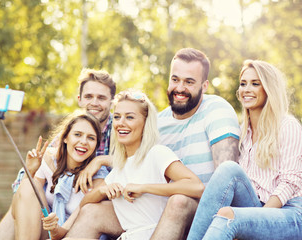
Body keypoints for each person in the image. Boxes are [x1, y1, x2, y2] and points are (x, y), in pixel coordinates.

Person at [65, 48, 241, 239]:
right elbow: (137, 160)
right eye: (175, 79)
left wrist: (144, 187)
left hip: (199, 210)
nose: (180, 87)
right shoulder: (160, 122)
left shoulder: (216, 109)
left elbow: (220, 179)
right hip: (145, 218)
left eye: (189, 82)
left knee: (178, 201)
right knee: (92, 211)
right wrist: (100, 165)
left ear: (204, 85)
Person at [0, 68, 116, 240]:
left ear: (112, 101)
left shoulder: (120, 129)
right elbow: (22, 191)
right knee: (28, 187)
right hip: (50, 216)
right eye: (88, 97)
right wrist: (31, 171)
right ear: (79, 100)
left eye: (101, 97)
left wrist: (100, 160)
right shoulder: (64, 138)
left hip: (85, 219)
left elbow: (133, 163)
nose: (94, 103)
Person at [187, 60, 302, 240]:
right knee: (228, 171)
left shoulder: (288, 126)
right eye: (243, 84)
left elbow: (291, 181)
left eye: (255, 84)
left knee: (229, 215)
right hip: (256, 205)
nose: (246, 89)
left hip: (288, 213)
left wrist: (260, 218)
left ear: (269, 89)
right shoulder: (243, 132)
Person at [14, 110, 107, 240]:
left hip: (75, 233)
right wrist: (30, 171)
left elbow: (66, 231)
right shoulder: (49, 158)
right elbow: (21, 203)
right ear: (64, 137)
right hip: (46, 229)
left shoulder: (98, 176)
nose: (84, 142)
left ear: (96, 144)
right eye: (77, 134)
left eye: (91, 138)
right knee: (29, 185)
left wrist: (55, 228)